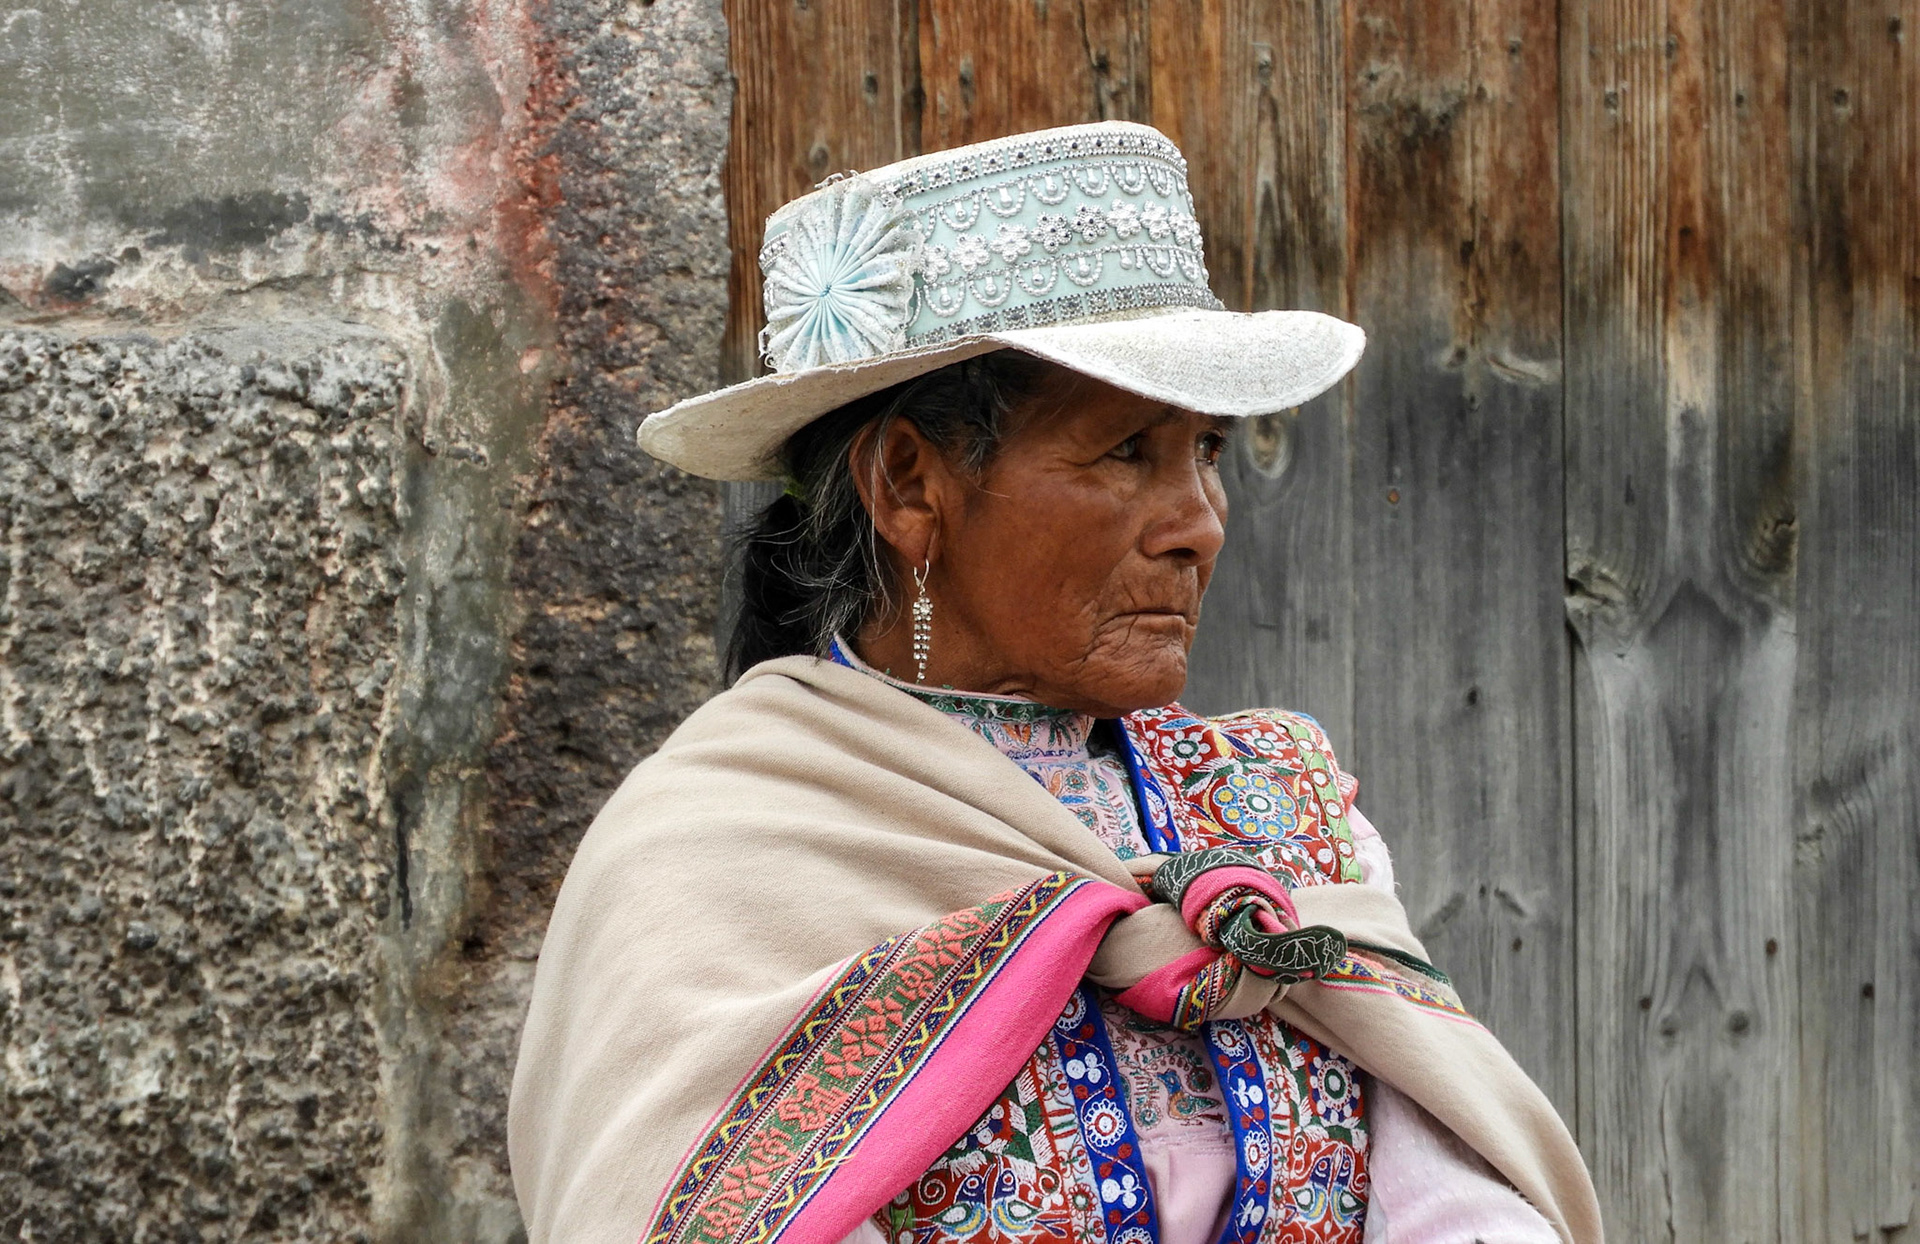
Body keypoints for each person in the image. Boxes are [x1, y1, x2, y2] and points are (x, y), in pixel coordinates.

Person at [508, 122, 1602, 1244]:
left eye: (1208, 449)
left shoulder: (1289, 820)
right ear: (910, 484)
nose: (1199, 524)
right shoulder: (711, 859)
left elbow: (1458, 1204)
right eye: (1127, 449)